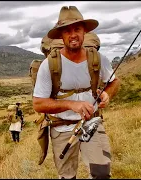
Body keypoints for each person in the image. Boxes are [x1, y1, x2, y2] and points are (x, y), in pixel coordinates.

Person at [33, 6, 121, 179]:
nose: (73, 35)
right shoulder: (49, 65)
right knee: (67, 177)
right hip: (61, 127)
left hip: (91, 123)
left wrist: (107, 94)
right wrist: (71, 105)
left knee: (102, 174)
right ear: (61, 35)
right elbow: (38, 103)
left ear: (84, 32)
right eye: (67, 31)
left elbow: (114, 82)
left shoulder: (98, 58)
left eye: (77, 29)